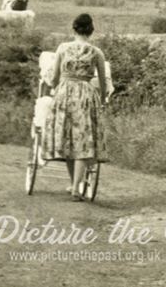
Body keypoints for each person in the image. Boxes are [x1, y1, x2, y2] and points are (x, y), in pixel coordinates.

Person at [42, 13, 108, 201]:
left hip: (64, 93)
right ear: (91, 31)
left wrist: (58, 87)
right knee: (83, 140)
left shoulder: (63, 48)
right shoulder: (96, 52)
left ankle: (75, 185)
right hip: (86, 95)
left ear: (74, 29)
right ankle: (75, 186)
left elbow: (54, 78)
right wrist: (101, 100)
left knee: (69, 139)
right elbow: (103, 82)